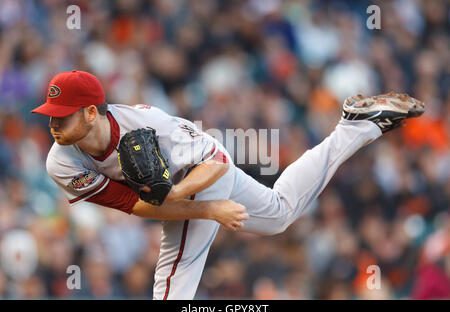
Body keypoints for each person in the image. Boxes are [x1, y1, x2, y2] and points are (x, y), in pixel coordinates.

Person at [31, 70, 425, 299]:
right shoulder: (60, 161)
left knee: (178, 272)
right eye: (50, 115)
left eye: (61, 116)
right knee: (278, 215)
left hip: (202, 170)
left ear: (89, 113)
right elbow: (134, 206)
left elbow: (218, 160)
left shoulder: (149, 124)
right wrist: (206, 210)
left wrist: (189, 197)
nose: (52, 124)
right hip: (173, 193)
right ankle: (356, 127)